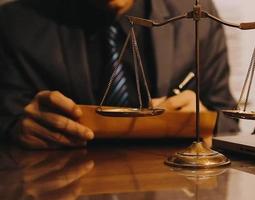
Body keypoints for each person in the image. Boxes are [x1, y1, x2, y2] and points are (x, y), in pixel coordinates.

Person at [0, 0, 238, 149]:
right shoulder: (15, 23)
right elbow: (7, 118)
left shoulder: (197, 15)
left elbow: (228, 119)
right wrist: (15, 127)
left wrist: (203, 120)